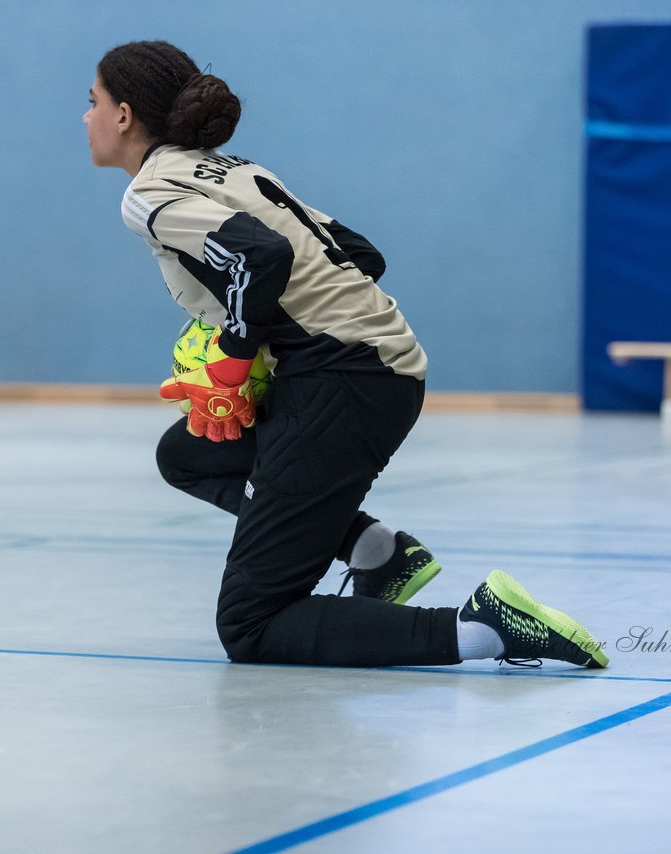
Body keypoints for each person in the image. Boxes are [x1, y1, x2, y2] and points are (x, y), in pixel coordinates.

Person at [84, 40, 610, 669]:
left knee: (252, 625)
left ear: (123, 115)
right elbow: (361, 255)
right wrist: (274, 336)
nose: (85, 117)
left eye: (92, 102)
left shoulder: (148, 192)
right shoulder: (239, 170)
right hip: (369, 367)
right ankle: (378, 552)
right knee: (190, 454)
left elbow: (262, 257)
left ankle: (485, 629)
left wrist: (233, 353)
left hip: (342, 379)